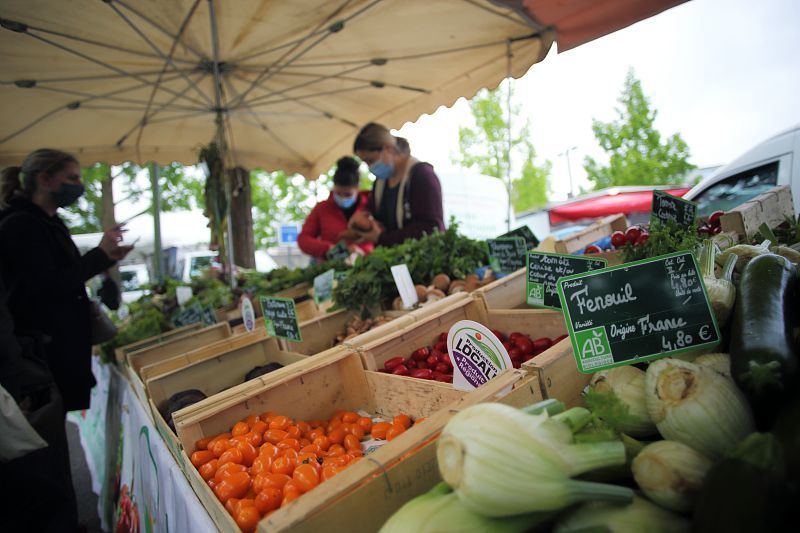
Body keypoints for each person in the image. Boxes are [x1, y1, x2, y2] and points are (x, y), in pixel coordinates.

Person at [0, 148, 133, 531]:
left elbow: (62, 278)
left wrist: (103, 258)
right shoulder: (19, 227)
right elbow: (43, 290)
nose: (79, 185)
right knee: (45, 465)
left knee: (52, 459)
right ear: (45, 179)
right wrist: (99, 257)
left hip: (48, 355)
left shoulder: (46, 222)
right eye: (72, 178)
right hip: (35, 359)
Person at [350, 123, 444, 246]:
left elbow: (432, 227)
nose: (370, 167)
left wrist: (382, 238)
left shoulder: (421, 175)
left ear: (387, 148)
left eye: (371, 161)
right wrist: (362, 218)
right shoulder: (380, 183)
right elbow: (372, 211)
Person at [297, 156, 374, 261]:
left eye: (348, 194)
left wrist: (363, 251)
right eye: (338, 193)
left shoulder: (371, 207)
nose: (343, 197)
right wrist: (328, 248)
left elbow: (380, 236)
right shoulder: (322, 209)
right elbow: (304, 239)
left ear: (357, 188)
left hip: (367, 265)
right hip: (330, 267)